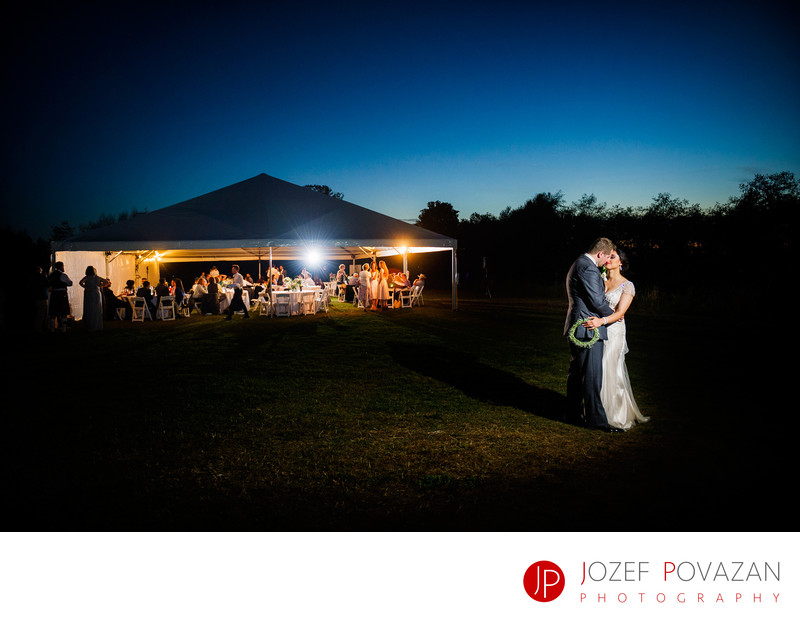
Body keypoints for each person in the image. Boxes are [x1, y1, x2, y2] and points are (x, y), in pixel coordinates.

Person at [582, 249, 649, 430]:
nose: (608, 259)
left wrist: (601, 320)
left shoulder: (627, 286)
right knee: (598, 371)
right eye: (607, 256)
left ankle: (616, 415)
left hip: (613, 331)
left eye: (613, 257)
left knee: (611, 369)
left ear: (621, 262)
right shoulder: (600, 280)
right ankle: (595, 412)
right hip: (598, 329)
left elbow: (620, 313)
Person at [563, 237, 619, 432]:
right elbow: (596, 301)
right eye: (608, 257)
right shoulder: (587, 267)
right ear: (601, 253)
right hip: (587, 327)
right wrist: (615, 316)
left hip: (578, 325)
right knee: (592, 375)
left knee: (578, 373)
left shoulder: (580, 263)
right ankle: (597, 421)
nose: (607, 262)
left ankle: (573, 414)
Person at [80, 266, 110, 331]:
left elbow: (80, 282)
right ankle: (96, 325)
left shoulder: (87, 277)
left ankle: (89, 325)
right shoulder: (97, 277)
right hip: (96, 293)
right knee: (96, 308)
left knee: (89, 308)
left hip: (89, 293)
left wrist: (86, 287)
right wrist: (101, 286)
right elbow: (106, 282)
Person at [48, 261, 72, 332]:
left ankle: (52, 328)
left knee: (53, 311)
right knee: (63, 311)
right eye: (63, 266)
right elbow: (70, 283)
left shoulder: (51, 275)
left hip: (54, 294)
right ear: (61, 267)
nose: (63, 267)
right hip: (61, 294)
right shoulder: (63, 275)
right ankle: (63, 328)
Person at [30, 265, 50, 332]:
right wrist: (46, 277)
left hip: (35, 297)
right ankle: (39, 328)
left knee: (37, 312)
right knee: (41, 313)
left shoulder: (32, 278)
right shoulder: (42, 277)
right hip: (42, 296)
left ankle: (37, 327)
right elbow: (48, 284)